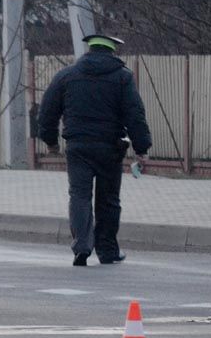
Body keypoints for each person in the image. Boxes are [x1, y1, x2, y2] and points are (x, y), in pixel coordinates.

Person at [37, 34, 152, 266]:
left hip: (78, 147)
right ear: (112, 52)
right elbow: (134, 114)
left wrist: (51, 141)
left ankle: (82, 247)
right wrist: (142, 147)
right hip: (110, 147)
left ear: (89, 50)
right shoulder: (123, 78)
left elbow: (47, 111)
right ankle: (108, 251)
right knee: (109, 199)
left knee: (79, 195)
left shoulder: (67, 76)